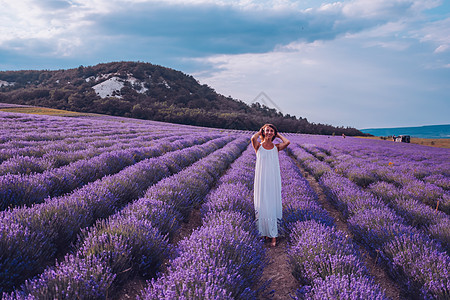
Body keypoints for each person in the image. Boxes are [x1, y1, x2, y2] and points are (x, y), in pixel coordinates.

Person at [251, 124, 290, 247]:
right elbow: (253, 138)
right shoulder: (258, 146)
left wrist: (277, 135)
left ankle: (273, 235)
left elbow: (287, 142)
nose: (269, 132)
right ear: (263, 131)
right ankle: (263, 232)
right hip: (261, 179)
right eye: (267, 130)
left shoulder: (276, 147)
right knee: (262, 204)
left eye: (271, 131)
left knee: (272, 204)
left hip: (273, 179)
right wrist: (260, 132)